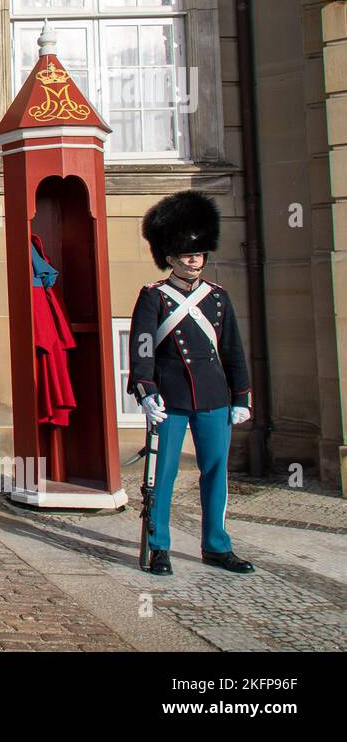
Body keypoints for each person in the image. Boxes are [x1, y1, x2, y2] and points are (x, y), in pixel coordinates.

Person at [128, 189, 255, 575]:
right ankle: (159, 546)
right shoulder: (154, 297)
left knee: (216, 473)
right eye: (187, 254)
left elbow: (232, 349)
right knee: (161, 475)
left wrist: (241, 396)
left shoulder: (218, 297)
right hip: (171, 399)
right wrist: (145, 390)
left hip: (214, 397)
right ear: (170, 257)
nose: (194, 260)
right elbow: (143, 346)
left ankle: (216, 545)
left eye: (198, 254)